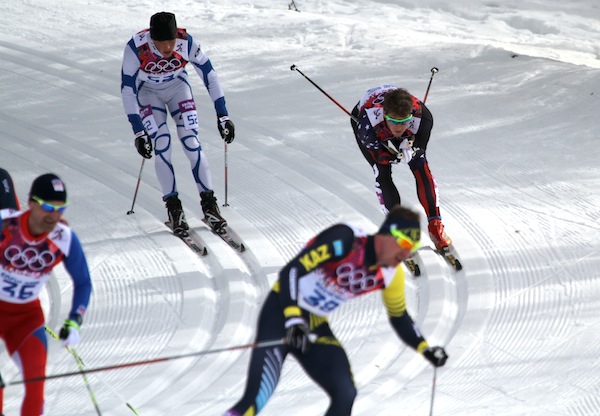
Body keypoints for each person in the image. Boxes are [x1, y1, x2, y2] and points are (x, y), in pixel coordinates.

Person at [224, 205, 448, 416]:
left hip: (313, 324)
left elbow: (399, 317)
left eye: (412, 250)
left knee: (345, 392)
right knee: (255, 400)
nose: (406, 255)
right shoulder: (346, 239)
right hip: (281, 313)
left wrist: (425, 349)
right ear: (389, 235)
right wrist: (292, 318)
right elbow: (291, 271)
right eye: (407, 246)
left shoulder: (392, 275)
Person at [120, 11, 235, 234]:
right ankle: (174, 209)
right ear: (152, 38)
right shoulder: (136, 47)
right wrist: (138, 132)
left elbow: (209, 75)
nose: (168, 47)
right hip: (148, 93)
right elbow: (127, 89)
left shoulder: (186, 42)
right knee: (162, 143)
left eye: (171, 40)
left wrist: (223, 115)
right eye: (162, 42)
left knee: (192, 142)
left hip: (178, 88)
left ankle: (210, 205)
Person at [0, 173, 92, 416]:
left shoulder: (64, 238)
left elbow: (83, 282)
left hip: (26, 316)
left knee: (36, 383)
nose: (54, 215)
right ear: (31, 203)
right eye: (48, 207)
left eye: (61, 209)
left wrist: (75, 320)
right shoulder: (5, 225)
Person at [351, 85, 452, 251]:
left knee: (420, 163)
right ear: (384, 115)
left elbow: (421, 148)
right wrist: (392, 155)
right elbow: (379, 155)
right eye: (394, 122)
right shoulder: (367, 123)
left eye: (404, 122)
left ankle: (436, 226)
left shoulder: (424, 117)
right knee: (381, 171)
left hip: (398, 121)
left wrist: (413, 148)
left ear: (411, 116)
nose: (399, 127)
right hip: (370, 121)